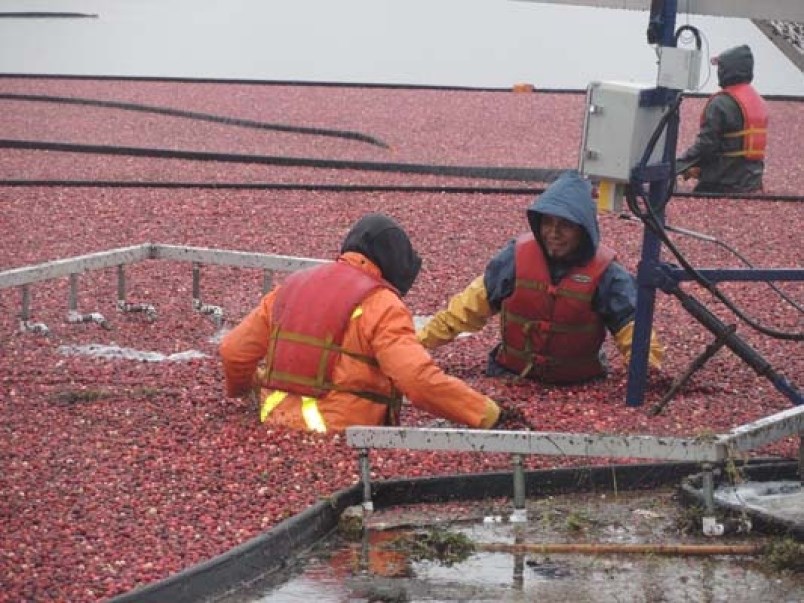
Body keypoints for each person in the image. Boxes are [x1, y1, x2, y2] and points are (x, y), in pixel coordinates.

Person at [220, 213, 501, 433]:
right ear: (396, 269)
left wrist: (247, 391)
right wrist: (485, 413)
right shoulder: (382, 304)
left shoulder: (290, 287)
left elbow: (233, 351)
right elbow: (417, 381)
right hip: (342, 435)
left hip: (273, 424)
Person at [417, 170, 663, 384]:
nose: (553, 233)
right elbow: (464, 311)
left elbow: (635, 333)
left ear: (584, 230)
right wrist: (416, 344)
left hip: (578, 385)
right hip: (510, 376)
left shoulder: (608, 275)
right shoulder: (514, 259)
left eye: (565, 226)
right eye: (548, 223)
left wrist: (645, 376)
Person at [677, 44, 768, 194]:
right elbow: (732, 147)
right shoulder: (759, 101)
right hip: (751, 182)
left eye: (720, 68)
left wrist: (678, 165)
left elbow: (706, 145)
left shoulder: (721, 103)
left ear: (727, 70)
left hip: (722, 183)